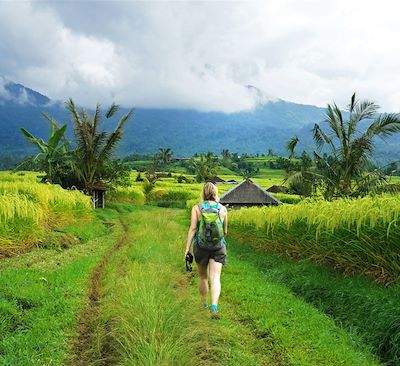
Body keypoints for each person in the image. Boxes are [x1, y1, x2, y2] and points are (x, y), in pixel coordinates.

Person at [184, 182, 228, 319]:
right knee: (215, 278)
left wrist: (187, 249)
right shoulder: (222, 209)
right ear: (215, 193)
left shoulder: (197, 208)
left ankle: (204, 305)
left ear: (203, 193)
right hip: (218, 247)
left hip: (201, 247)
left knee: (203, 277)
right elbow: (225, 232)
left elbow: (192, 229)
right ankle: (214, 307)